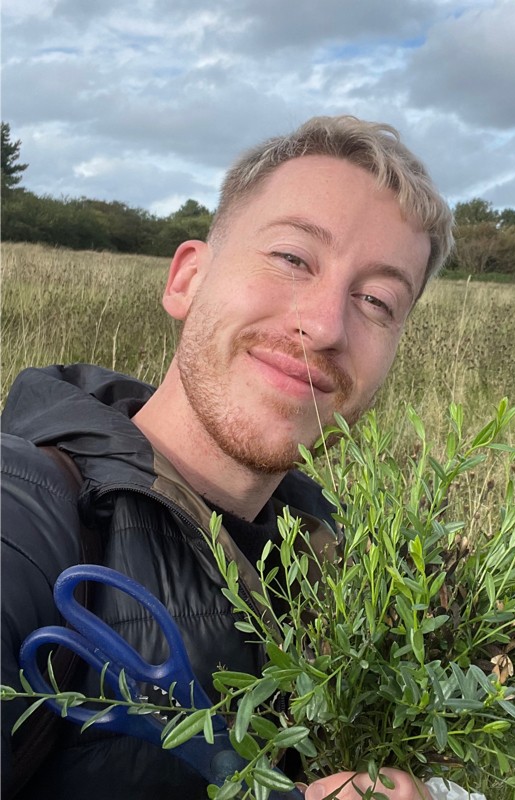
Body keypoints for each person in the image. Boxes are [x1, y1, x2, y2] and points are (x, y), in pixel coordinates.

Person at [1, 115, 454, 799]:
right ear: (187, 279)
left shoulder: (339, 574)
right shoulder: (24, 516)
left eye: (376, 300)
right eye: (293, 258)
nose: (325, 326)